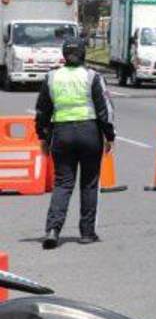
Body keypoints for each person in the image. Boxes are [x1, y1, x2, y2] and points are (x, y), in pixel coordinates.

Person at [35, 36, 116, 249]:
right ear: (84, 54)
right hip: (90, 133)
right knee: (89, 183)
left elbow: (42, 110)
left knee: (62, 183)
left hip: (62, 134)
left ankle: (53, 229)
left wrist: (42, 136)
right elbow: (105, 109)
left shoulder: (52, 77)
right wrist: (110, 136)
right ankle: (87, 233)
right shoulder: (92, 76)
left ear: (64, 55)